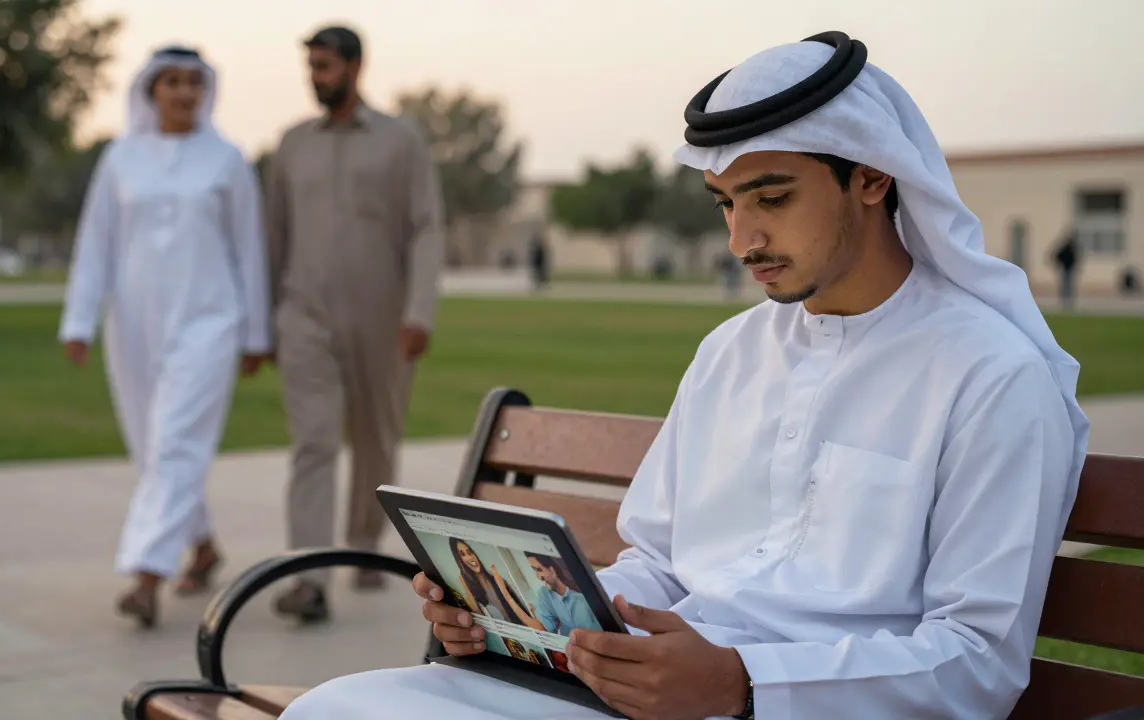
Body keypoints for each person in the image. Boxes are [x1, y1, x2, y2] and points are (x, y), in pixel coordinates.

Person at [277, 32, 1088, 719]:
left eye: (770, 198)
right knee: (334, 708)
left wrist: (742, 685)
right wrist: (523, 615)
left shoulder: (991, 376)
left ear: (872, 177)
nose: (742, 240)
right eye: (724, 204)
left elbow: (977, 660)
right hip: (633, 691)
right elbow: (659, 564)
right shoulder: (731, 353)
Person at [58, 45, 271, 628]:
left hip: (211, 321)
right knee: (154, 448)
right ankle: (202, 546)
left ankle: (146, 575)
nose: (183, 92)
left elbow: (249, 250)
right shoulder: (121, 159)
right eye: (171, 82)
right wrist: (78, 320)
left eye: (193, 83)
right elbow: (95, 240)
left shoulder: (227, 160)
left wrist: (256, 333)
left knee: (176, 442)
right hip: (133, 324)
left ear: (206, 91)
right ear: (150, 89)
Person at [263, 24, 446, 622]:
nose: (316, 77)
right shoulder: (291, 144)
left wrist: (419, 311)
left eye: (324, 66)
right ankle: (309, 575)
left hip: (382, 316)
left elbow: (425, 228)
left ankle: (365, 545)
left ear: (354, 66)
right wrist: (263, 322)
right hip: (303, 314)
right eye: (310, 67)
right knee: (313, 443)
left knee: (375, 438)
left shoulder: (401, 141)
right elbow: (273, 236)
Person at [449, 538, 545, 631]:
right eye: (463, 554)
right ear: (459, 561)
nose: (470, 557)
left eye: (470, 552)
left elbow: (524, 618)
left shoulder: (496, 579)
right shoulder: (472, 592)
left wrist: (504, 591)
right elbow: (477, 622)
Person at [523, 552, 600, 636]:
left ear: (552, 570)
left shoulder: (580, 600)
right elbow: (545, 629)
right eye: (535, 570)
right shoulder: (545, 594)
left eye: (539, 570)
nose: (538, 576)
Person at [1051, 230, 1080, 309]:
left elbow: (1076, 258)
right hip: (1065, 268)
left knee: (1069, 285)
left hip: (1069, 269)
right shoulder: (1065, 248)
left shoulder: (1073, 249)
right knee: (1065, 285)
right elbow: (1057, 256)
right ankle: (1064, 300)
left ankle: (1068, 300)